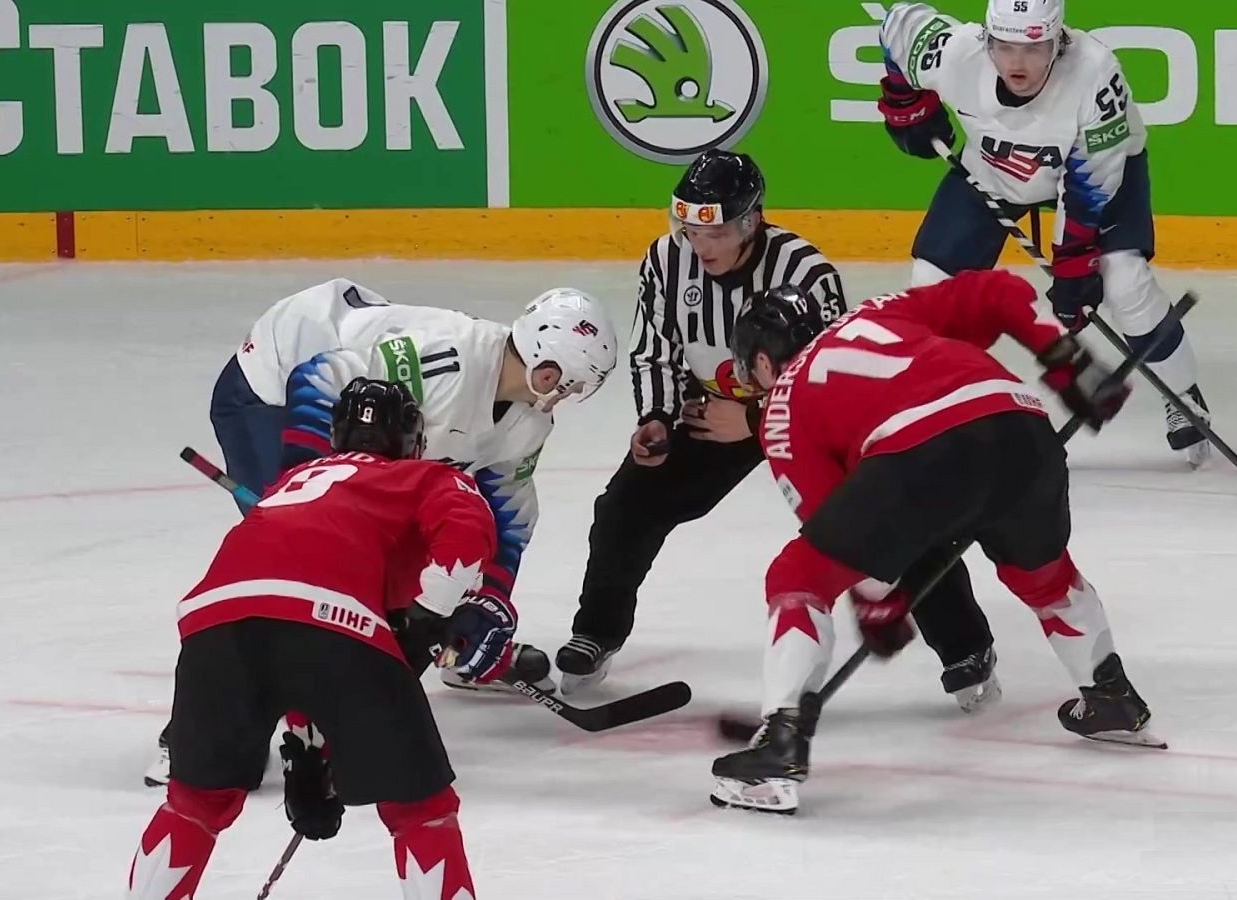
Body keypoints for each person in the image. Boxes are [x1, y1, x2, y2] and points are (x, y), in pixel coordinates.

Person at [557, 149, 1002, 713]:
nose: (701, 245)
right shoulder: (666, 261)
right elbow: (655, 351)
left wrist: (749, 420)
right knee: (626, 505)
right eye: (690, 229)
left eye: (714, 232)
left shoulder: (805, 273)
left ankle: (966, 646)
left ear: (750, 221)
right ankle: (597, 631)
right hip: (709, 413)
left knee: (888, 512)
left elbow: (828, 374)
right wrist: (657, 418)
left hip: (811, 418)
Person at [709, 273, 1165, 815]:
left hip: (921, 451)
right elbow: (997, 293)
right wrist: (1067, 360)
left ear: (763, 362)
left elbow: (834, 528)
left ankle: (779, 743)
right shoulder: (881, 310)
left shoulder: (782, 401)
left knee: (799, 575)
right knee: (1044, 575)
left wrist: (878, 603)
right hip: (1022, 427)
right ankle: (1112, 698)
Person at [148, 281, 618, 785]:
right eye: (567, 384)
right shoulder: (446, 364)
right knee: (298, 571)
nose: (566, 397)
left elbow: (506, 515)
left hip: (367, 424)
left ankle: (443, 655)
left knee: (407, 550)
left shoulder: (527, 422)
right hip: (273, 383)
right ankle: (195, 735)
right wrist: (307, 492)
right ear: (545, 368)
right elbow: (318, 378)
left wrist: (487, 604)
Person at [127, 378, 509, 900]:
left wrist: (308, 753)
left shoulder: (293, 482)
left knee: (193, 802)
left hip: (214, 622)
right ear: (411, 442)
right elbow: (466, 531)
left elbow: (290, 641)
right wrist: (433, 611)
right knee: (421, 809)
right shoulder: (425, 476)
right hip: (335, 624)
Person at [877, 0, 1212, 466]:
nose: (1017, 63)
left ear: (1059, 41)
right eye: (1005, 46)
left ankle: (1184, 396)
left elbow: (1091, 187)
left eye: (1034, 48)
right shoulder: (956, 54)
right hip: (995, 171)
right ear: (987, 38)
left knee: (1126, 283)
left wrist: (1075, 268)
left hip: (1098, 177)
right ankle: (942, 414)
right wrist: (904, 102)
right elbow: (898, 24)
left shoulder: (1095, 76)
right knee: (933, 288)